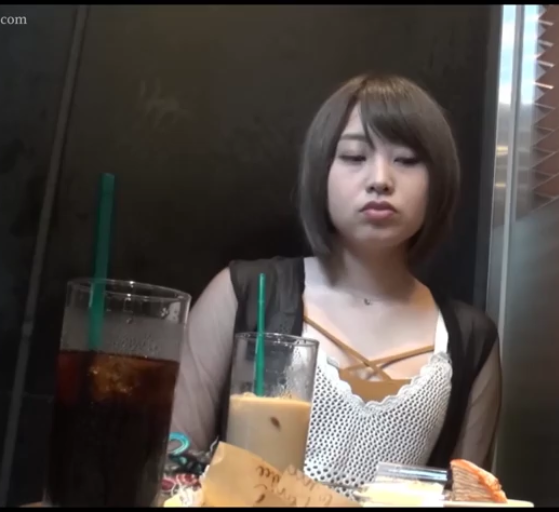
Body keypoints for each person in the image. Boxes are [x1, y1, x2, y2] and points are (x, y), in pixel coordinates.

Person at [171, 73, 501, 495]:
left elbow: (471, 498)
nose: (380, 179)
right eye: (354, 156)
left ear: (438, 181)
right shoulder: (242, 295)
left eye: (406, 159)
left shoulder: (470, 341)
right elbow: (174, 468)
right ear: (321, 171)